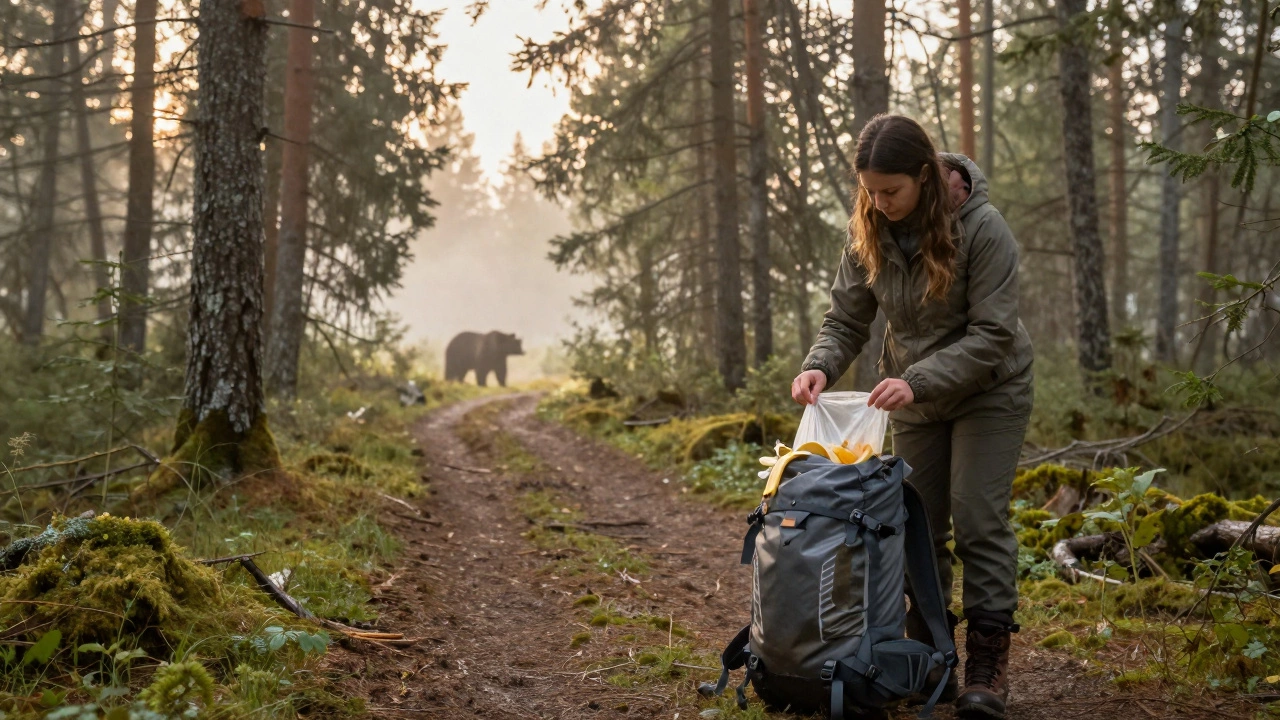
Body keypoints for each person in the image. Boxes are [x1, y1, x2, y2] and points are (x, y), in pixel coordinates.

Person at [790, 114, 1033, 720]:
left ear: (925, 177)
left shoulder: (982, 227)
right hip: (912, 395)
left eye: (891, 190)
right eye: (869, 191)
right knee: (918, 528)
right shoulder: (869, 227)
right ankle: (928, 656)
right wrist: (820, 364)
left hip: (989, 390)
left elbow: (995, 333)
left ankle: (985, 664)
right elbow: (847, 318)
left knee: (978, 516)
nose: (879, 202)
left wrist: (917, 379)